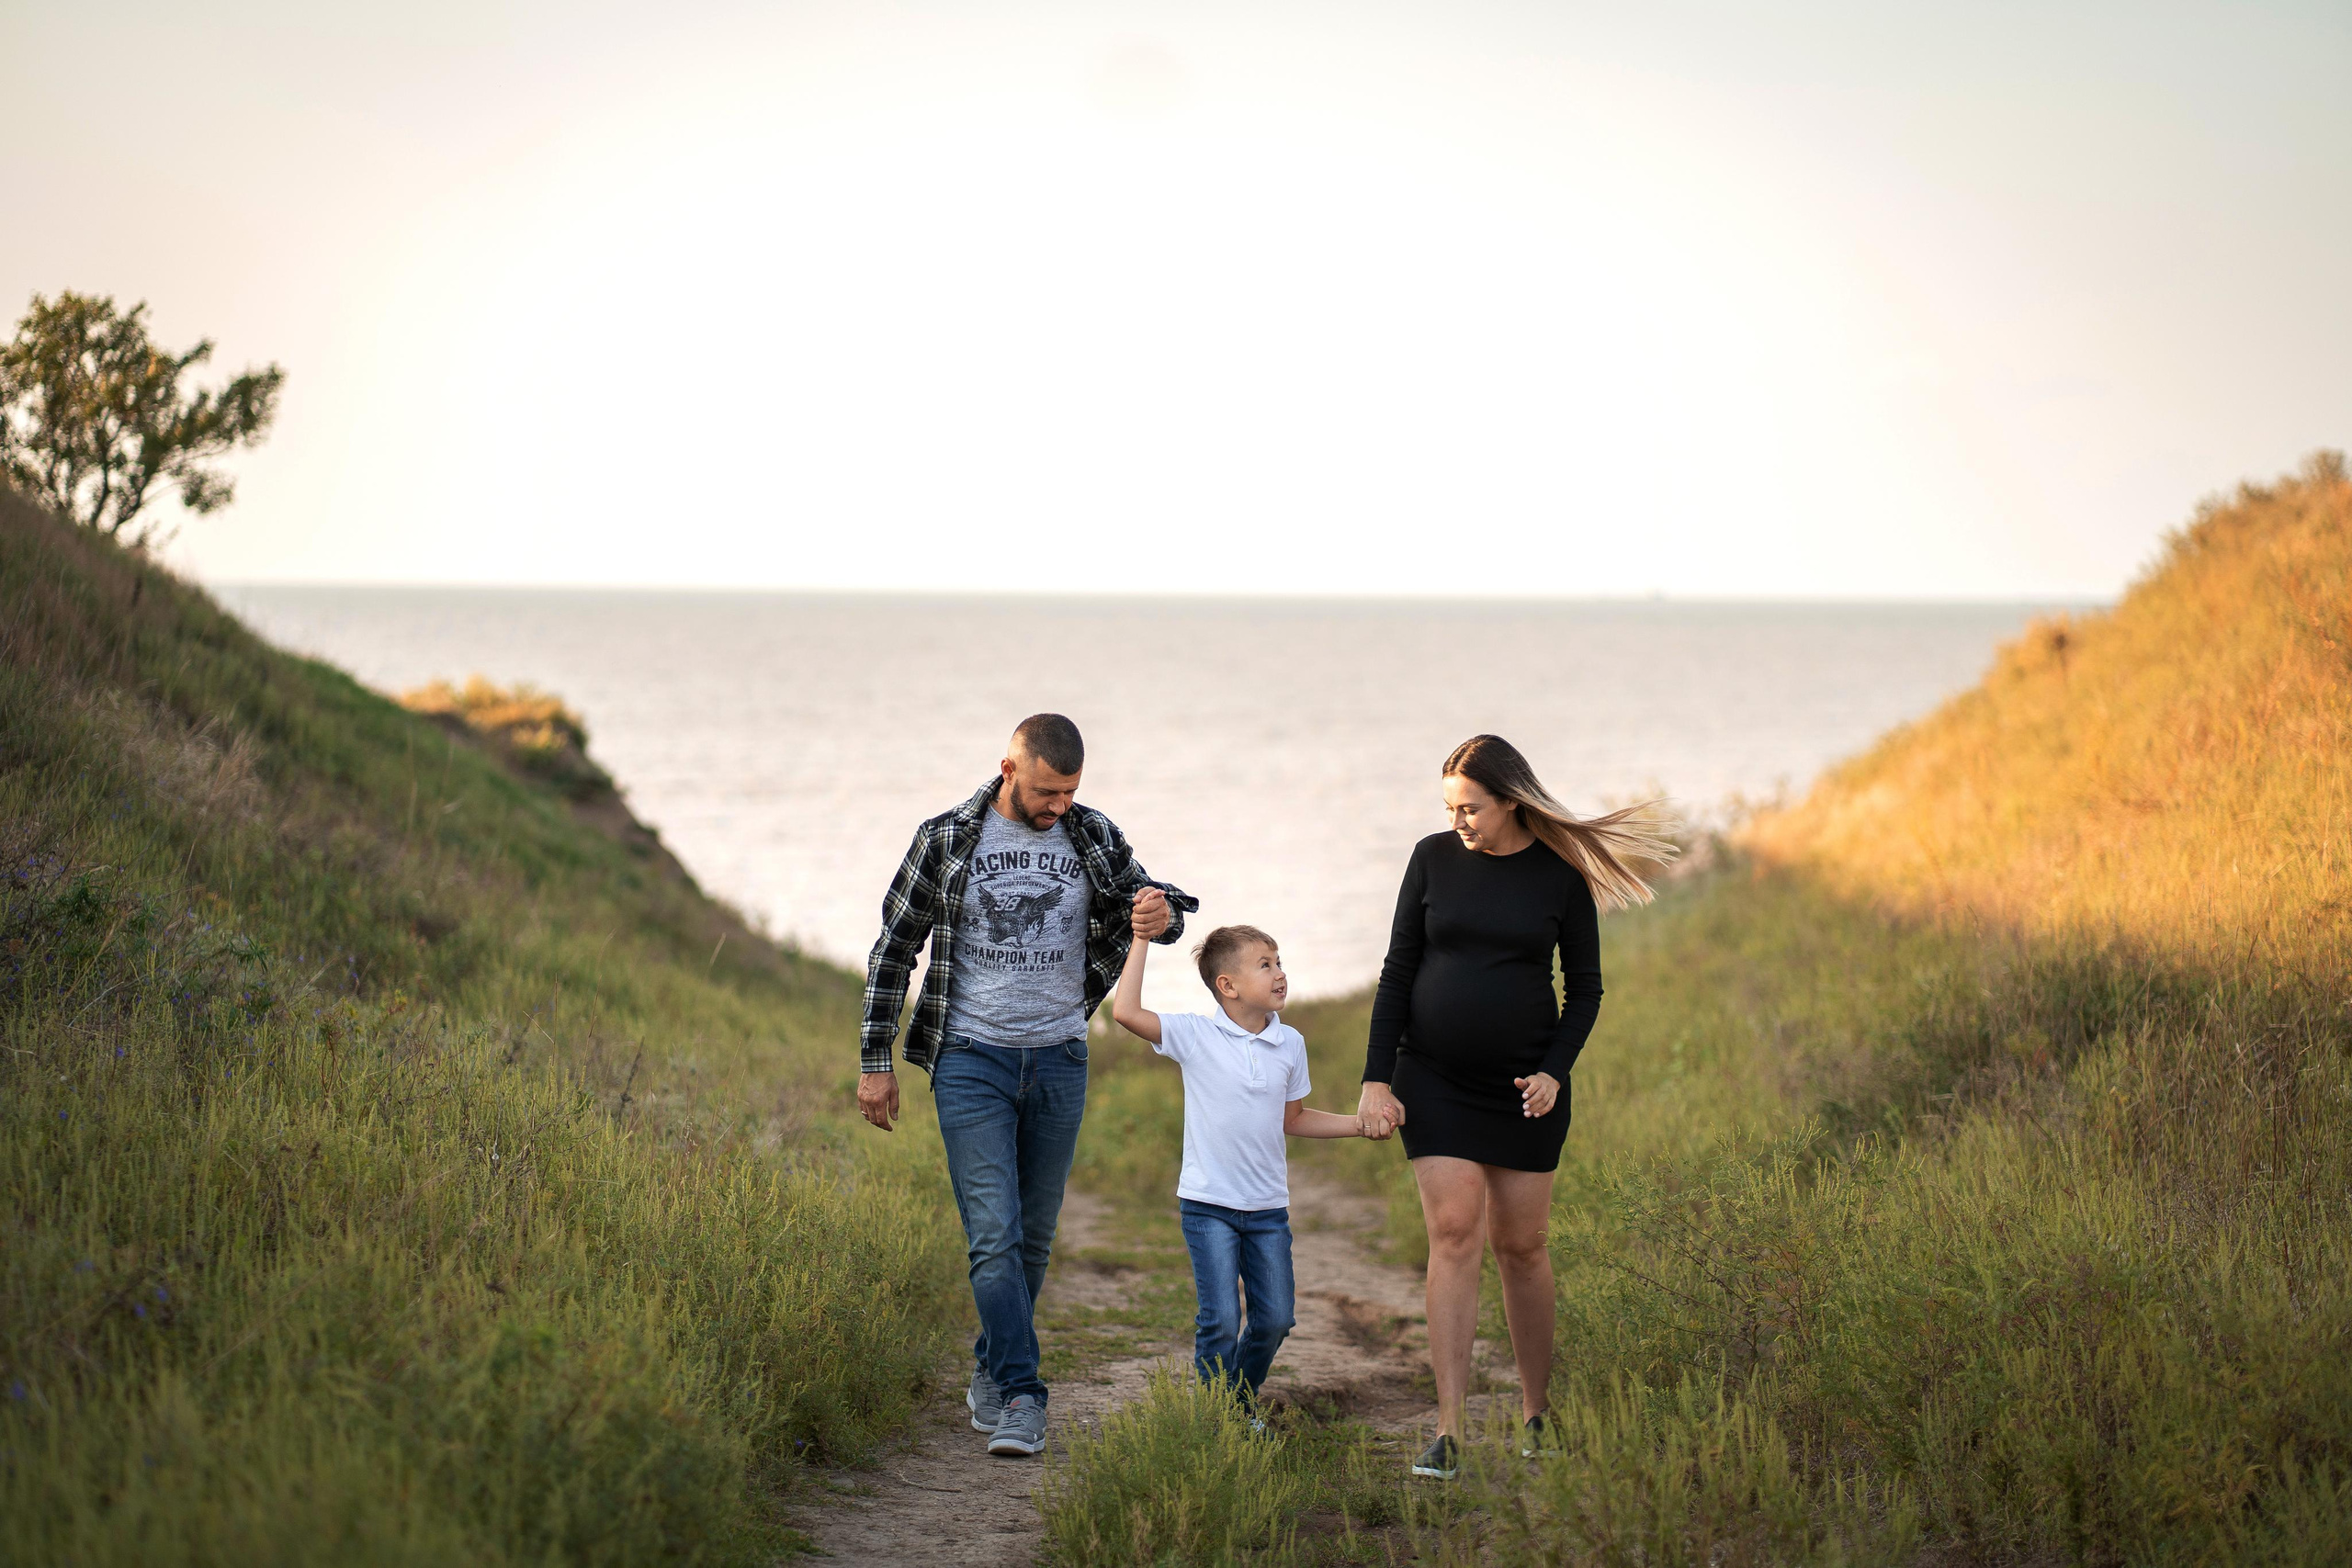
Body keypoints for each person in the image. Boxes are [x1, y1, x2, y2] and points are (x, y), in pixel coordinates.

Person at [858, 713, 1194, 1459]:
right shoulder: (946, 837)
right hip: (969, 1059)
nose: (1059, 805)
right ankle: (1022, 1393)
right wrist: (875, 1061)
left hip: (1060, 1057)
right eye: (1047, 791)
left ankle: (991, 1360)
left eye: (1070, 790)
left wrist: (1160, 911)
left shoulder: (1092, 832)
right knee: (994, 1234)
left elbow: (1154, 912)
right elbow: (894, 949)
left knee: (1034, 1238)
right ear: (1009, 769)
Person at [1356, 734, 1674, 1480]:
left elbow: (1585, 989)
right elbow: (1398, 969)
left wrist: (1554, 1072)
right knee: (1454, 1231)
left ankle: (1537, 1412)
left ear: (1508, 800)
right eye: (1450, 808)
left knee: (1522, 1246)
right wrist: (1377, 1077)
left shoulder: (1559, 875)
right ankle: (1448, 1428)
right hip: (1433, 1076)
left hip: (1525, 1091)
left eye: (1470, 808)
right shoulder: (1431, 859)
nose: (1458, 821)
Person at [1110, 922, 1367, 1417]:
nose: (1280, 974)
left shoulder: (1290, 1043)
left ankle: (1236, 1403)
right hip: (1208, 1206)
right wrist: (1141, 938)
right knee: (1221, 1321)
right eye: (1265, 965)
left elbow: (1294, 1119)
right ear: (1227, 985)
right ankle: (1219, 1422)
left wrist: (1359, 1125)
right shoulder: (1195, 1035)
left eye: (1280, 962)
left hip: (1268, 1210)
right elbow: (1125, 1012)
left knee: (1275, 1319)